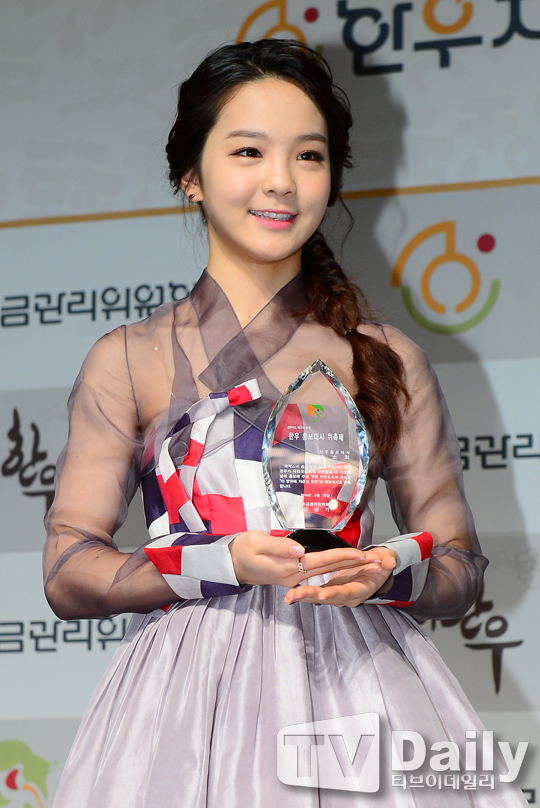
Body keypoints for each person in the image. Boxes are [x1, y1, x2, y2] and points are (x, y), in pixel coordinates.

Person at [43, 39, 527, 807]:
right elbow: (68, 570)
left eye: (308, 155)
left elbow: (459, 563)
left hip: (359, 690)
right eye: (249, 151)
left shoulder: (385, 357)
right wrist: (221, 561)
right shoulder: (128, 358)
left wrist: (385, 570)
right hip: (182, 711)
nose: (281, 181)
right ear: (191, 175)